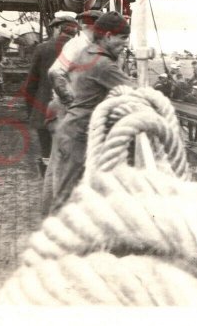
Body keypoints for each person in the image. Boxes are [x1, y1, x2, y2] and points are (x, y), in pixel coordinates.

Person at [47, 11, 133, 215]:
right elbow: (136, 92)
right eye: (123, 39)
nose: (125, 45)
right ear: (109, 36)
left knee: (66, 190)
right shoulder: (103, 65)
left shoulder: (86, 53)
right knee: (66, 196)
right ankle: (56, 241)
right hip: (80, 133)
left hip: (71, 127)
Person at [22, 16, 79, 177]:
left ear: (57, 28)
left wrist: (30, 111)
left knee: (47, 150)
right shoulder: (82, 50)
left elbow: (31, 84)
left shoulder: (43, 48)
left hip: (45, 107)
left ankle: (48, 183)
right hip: (72, 108)